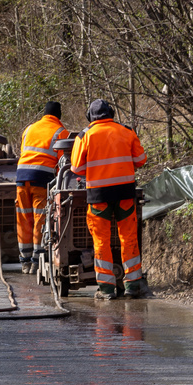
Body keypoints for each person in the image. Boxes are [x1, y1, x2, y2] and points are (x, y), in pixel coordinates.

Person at [70, 99, 153, 299]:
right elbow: (141, 160)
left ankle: (106, 289)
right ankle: (133, 285)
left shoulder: (85, 135)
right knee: (128, 238)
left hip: (98, 196)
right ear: (112, 113)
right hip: (125, 194)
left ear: (90, 116)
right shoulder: (126, 131)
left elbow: (76, 169)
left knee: (101, 241)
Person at [16, 101, 69, 274]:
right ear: (59, 115)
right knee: (40, 218)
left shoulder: (29, 128)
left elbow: (24, 151)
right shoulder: (61, 132)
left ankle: (24, 260)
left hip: (22, 177)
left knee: (24, 218)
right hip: (41, 179)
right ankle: (37, 261)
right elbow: (64, 164)